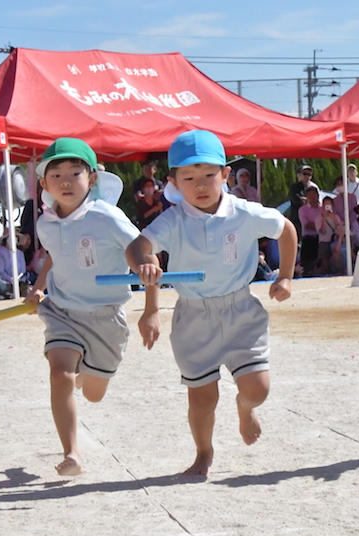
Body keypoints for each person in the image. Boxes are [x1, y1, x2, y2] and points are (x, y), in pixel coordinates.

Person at [126, 129, 297, 477]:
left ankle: (245, 406)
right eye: (189, 178)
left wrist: (285, 276)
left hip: (241, 311)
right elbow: (137, 247)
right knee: (202, 399)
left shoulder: (245, 213)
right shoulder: (173, 220)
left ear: (225, 174)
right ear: (173, 182)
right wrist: (144, 264)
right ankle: (204, 452)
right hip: (194, 317)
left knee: (258, 389)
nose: (200, 185)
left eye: (208, 175)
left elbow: (287, 230)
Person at [23, 138, 140, 476]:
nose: (65, 181)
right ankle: (72, 453)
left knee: (93, 394)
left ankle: (86, 373)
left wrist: (144, 265)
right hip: (63, 312)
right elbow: (54, 256)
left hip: (106, 316)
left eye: (75, 173)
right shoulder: (46, 223)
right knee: (59, 375)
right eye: (56, 175)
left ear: (92, 178)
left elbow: (139, 247)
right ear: (45, 185)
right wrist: (38, 288)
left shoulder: (107, 217)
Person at [298, 184, 323, 276]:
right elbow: (307, 225)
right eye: (310, 195)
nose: (312, 197)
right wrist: (320, 225)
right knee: (307, 263)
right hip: (308, 238)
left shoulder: (322, 209)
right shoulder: (302, 210)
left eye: (314, 195)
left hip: (321, 237)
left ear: (318, 196)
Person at [287, 164, 317, 237]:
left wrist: (306, 200)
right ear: (298, 175)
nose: (307, 176)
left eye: (309, 174)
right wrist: (307, 201)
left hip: (310, 220)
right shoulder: (294, 187)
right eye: (304, 174)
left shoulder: (313, 188)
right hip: (297, 221)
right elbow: (297, 201)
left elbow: (316, 202)